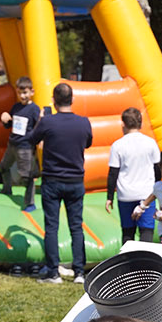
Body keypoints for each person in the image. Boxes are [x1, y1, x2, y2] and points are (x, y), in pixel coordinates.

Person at [25, 81, 94, 284]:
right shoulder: (84, 122)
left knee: (52, 227)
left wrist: (40, 120)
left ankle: (53, 272)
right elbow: (87, 143)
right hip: (75, 180)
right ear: (72, 99)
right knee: (76, 226)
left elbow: (31, 139)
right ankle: (79, 272)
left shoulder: (47, 122)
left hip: (52, 180)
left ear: (53, 101)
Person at [107, 106, 162, 244]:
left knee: (127, 232)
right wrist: (157, 189)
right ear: (141, 124)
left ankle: (128, 257)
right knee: (146, 231)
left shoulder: (117, 145)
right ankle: (145, 257)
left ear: (123, 124)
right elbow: (157, 169)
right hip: (146, 194)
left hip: (125, 195)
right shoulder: (150, 143)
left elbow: (113, 173)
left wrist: (109, 197)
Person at [0, 75, 40, 209]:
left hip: (25, 147)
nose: (22, 96)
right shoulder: (16, 107)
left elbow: (39, 127)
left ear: (32, 92)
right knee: (3, 167)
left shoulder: (34, 109)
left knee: (26, 176)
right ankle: (7, 188)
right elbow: (10, 124)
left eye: (25, 92)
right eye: (20, 93)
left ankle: (30, 202)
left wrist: (36, 141)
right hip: (12, 144)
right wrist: (5, 120)